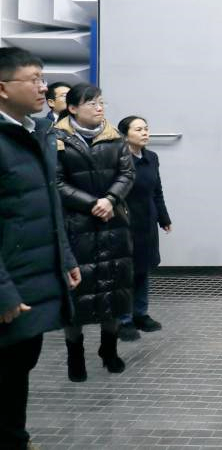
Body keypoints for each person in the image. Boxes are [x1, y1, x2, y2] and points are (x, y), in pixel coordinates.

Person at [0, 48, 80, 450]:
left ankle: (16, 438)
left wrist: (65, 257)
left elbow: (49, 205)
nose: (43, 87)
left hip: (30, 277)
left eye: (42, 77)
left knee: (19, 366)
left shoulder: (37, 132)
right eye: (33, 79)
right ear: (2, 88)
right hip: (8, 284)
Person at [54, 83, 135, 382]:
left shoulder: (114, 137)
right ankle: (75, 355)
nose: (99, 108)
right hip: (76, 226)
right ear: (73, 108)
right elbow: (55, 182)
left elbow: (127, 173)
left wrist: (110, 199)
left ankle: (109, 350)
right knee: (77, 295)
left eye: (101, 102)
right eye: (91, 103)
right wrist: (92, 204)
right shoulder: (56, 139)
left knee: (113, 289)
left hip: (112, 223)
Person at [116, 116, 172, 343]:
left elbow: (157, 190)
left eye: (146, 129)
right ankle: (124, 320)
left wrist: (163, 217)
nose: (145, 133)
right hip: (125, 222)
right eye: (138, 129)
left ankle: (140, 313)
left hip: (147, 221)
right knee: (125, 273)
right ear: (125, 135)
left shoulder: (151, 158)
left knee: (143, 269)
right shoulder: (118, 159)